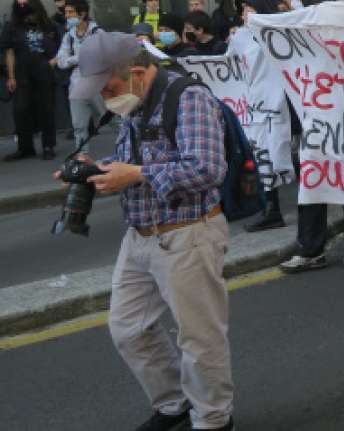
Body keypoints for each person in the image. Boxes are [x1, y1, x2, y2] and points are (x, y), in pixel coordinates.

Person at [66, 30, 234, 431]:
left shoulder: (189, 98)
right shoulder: (135, 102)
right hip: (139, 234)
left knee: (199, 339)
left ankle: (213, 420)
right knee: (127, 329)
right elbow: (130, 159)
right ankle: (174, 403)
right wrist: (96, 168)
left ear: (138, 73)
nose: (105, 99)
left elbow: (210, 169)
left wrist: (136, 174)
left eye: (109, 88)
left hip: (188, 233)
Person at [276, 0, 344, 267]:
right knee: (312, 180)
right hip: (315, 117)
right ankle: (310, 249)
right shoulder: (295, 27)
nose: (292, 2)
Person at [3, 0, 61, 161]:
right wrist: (11, 76)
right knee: (21, 110)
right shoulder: (11, 26)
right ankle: (25, 148)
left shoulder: (50, 25)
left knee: (47, 109)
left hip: (45, 73)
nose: (22, 7)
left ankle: (48, 146)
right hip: (22, 74)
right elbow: (9, 52)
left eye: (25, 4)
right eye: (18, 4)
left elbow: (61, 49)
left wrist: (53, 65)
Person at [53, 0, 104, 153]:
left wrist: (74, 59)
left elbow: (101, 55)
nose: (67, 15)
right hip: (76, 85)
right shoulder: (68, 36)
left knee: (105, 117)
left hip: (97, 83)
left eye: (71, 12)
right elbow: (61, 62)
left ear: (82, 13)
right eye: (66, 12)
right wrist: (79, 57)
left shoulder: (98, 32)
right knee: (79, 126)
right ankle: (82, 157)